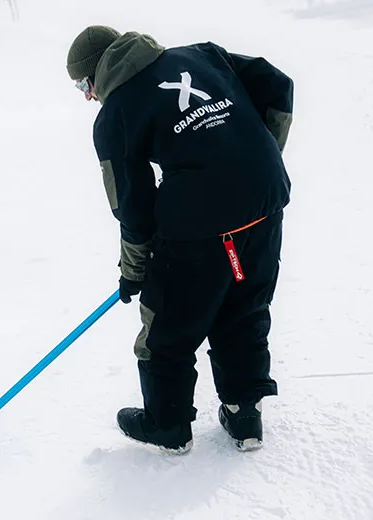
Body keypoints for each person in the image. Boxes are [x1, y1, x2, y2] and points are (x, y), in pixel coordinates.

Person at [66, 26, 293, 453]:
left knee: (166, 326)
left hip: (199, 229)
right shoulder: (201, 54)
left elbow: (132, 208)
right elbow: (277, 84)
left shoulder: (115, 114)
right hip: (263, 205)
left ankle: (167, 426)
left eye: (82, 84)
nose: (85, 96)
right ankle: (245, 416)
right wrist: (259, 158)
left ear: (95, 74)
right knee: (243, 306)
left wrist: (134, 273)